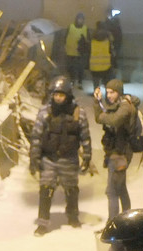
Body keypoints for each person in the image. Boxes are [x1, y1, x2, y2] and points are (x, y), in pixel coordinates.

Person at [29, 76, 91, 236]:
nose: (58, 98)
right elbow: (36, 135)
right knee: (45, 190)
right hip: (49, 158)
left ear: (68, 95)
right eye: (55, 94)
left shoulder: (78, 113)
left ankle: (73, 216)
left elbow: (85, 136)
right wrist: (34, 157)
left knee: (71, 190)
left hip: (69, 158)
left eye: (61, 95)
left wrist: (87, 155)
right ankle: (43, 222)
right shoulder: (45, 112)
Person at [93, 78, 136, 219]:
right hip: (115, 153)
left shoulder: (125, 107)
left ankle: (112, 224)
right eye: (107, 92)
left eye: (112, 92)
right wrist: (97, 102)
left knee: (112, 192)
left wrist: (103, 115)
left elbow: (114, 120)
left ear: (119, 92)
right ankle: (127, 219)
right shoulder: (117, 106)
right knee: (121, 188)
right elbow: (99, 118)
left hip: (121, 154)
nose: (109, 95)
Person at [65, 12, 89, 87]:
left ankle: (80, 82)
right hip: (70, 51)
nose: (80, 21)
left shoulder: (85, 28)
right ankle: (72, 80)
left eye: (82, 19)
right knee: (70, 67)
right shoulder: (70, 27)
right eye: (79, 19)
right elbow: (65, 37)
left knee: (80, 68)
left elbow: (88, 40)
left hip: (80, 52)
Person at [88, 23, 114, 91]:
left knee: (96, 86)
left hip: (94, 66)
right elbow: (112, 52)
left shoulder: (92, 39)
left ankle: (97, 98)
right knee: (107, 85)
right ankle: (108, 99)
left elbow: (88, 51)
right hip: (106, 66)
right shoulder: (108, 39)